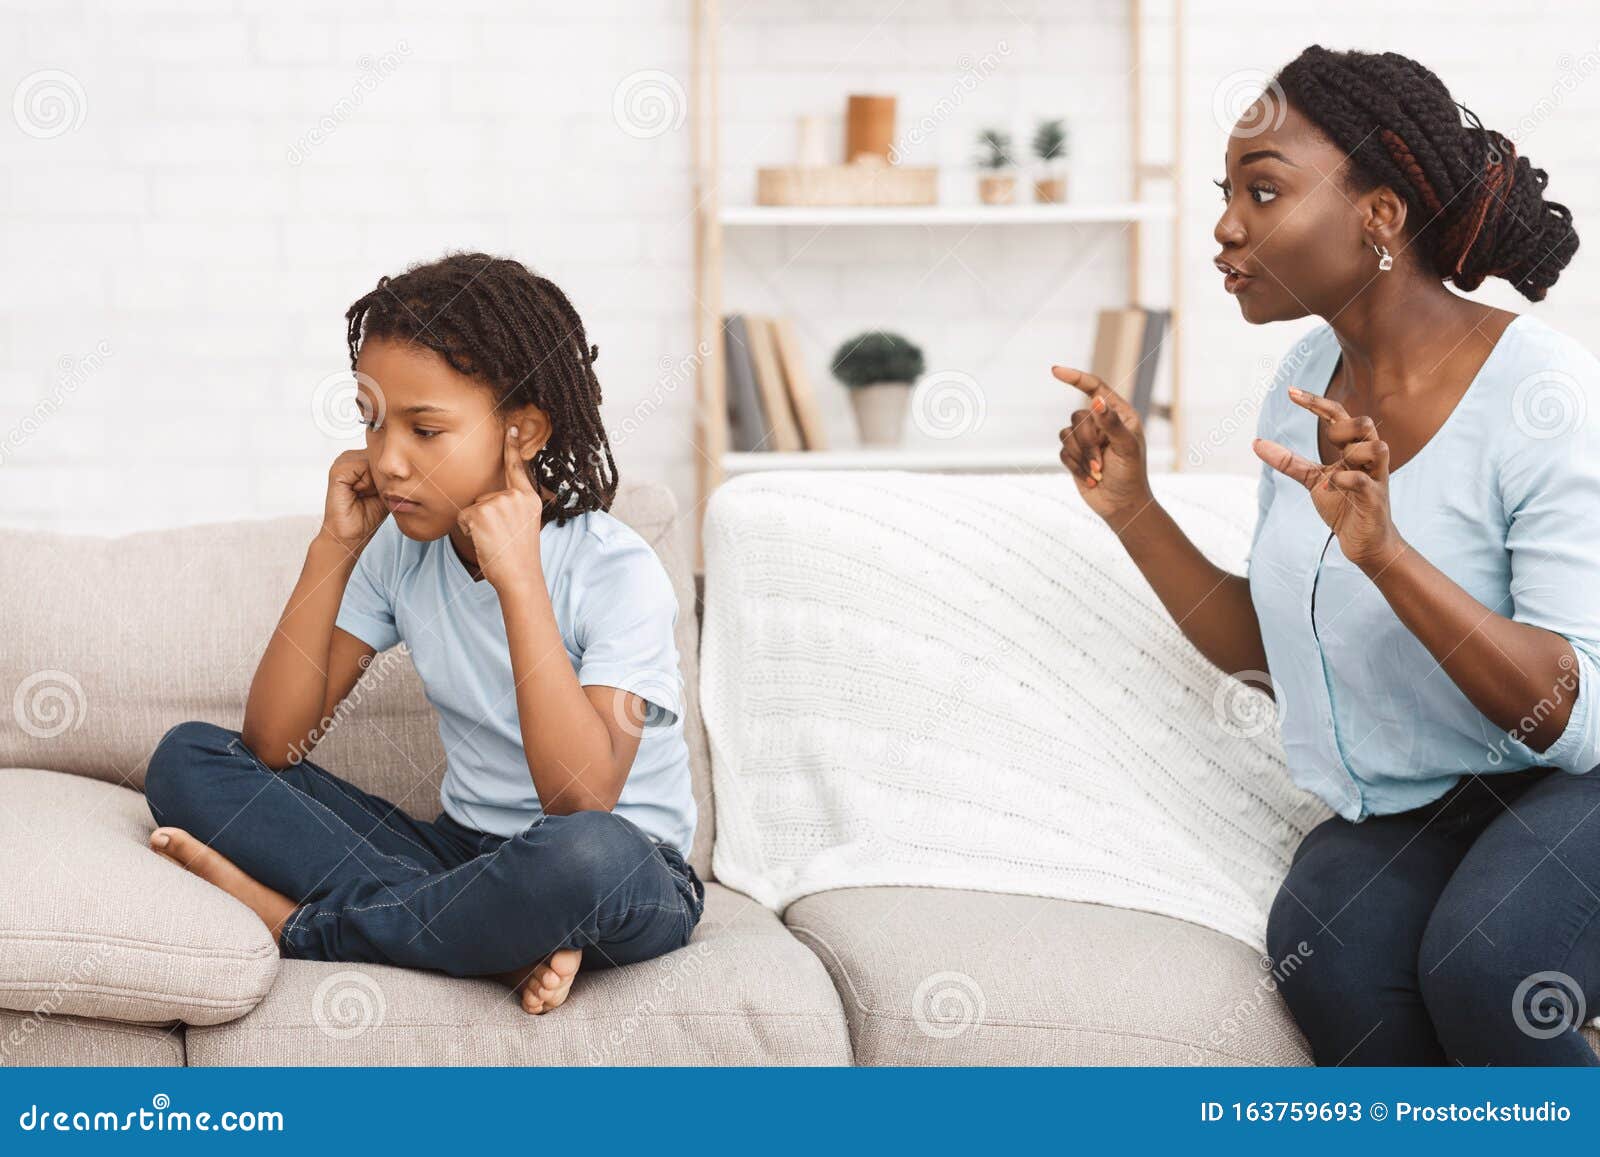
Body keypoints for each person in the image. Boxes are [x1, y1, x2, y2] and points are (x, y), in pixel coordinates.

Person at [1055, 45, 1600, 1064]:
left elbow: (1570, 711)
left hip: (1580, 781)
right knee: (1332, 956)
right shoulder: (1307, 379)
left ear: (1379, 216)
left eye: (1262, 192)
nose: (1224, 225)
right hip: (1416, 800)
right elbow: (1276, 647)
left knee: (1486, 966)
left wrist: (1387, 554)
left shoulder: (1545, 394)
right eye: (1227, 193)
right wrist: (1130, 508)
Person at [143, 252, 703, 1015]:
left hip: (624, 871)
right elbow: (274, 743)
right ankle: (485, 940)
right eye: (373, 423)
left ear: (524, 431)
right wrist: (332, 549)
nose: (388, 460)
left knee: (583, 856)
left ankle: (309, 928)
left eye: (425, 429)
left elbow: (580, 799)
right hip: (458, 854)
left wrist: (520, 582)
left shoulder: (615, 571)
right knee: (189, 759)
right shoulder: (400, 551)